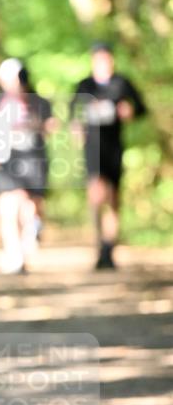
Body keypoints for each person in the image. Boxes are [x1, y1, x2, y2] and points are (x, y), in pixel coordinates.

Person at [70, 42, 146, 269]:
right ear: (93, 61)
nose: (104, 63)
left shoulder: (122, 83)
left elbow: (141, 108)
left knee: (113, 197)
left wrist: (130, 112)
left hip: (114, 147)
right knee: (96, 194)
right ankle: (99, 244)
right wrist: (76, 127)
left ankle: (109, 247)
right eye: (99, 59)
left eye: (107, 59)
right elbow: (73, 112)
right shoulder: (85, 85)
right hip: (92, 147)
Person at [0, 59, 55, 274]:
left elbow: (51, 127)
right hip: (5, 159)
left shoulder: (39, 102)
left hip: (33, 159)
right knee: (8, 205)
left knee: (29, 205)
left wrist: (36, 124)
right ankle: (14, 253)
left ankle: (30, 236)